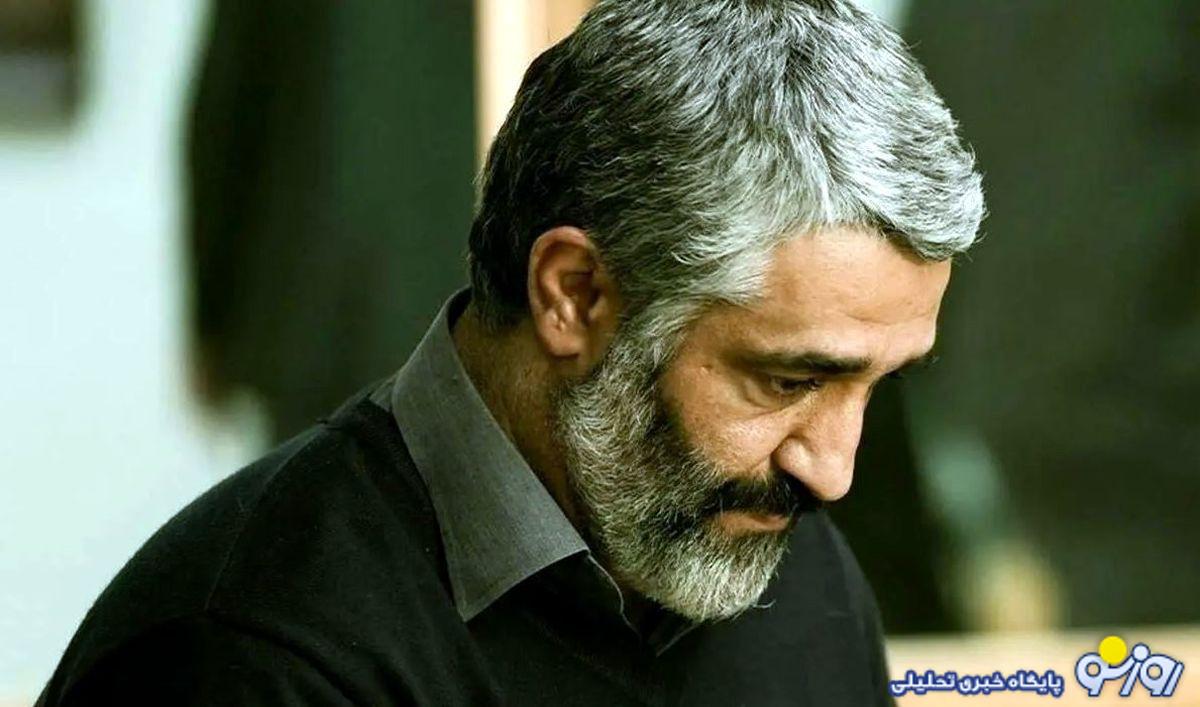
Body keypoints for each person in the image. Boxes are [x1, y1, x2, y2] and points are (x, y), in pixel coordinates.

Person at [36, 0, 983, 704]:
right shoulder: (249, 658)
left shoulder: (802, 579)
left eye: (878, 385)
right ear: (574, 294)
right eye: (788, 380)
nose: (834, 471)